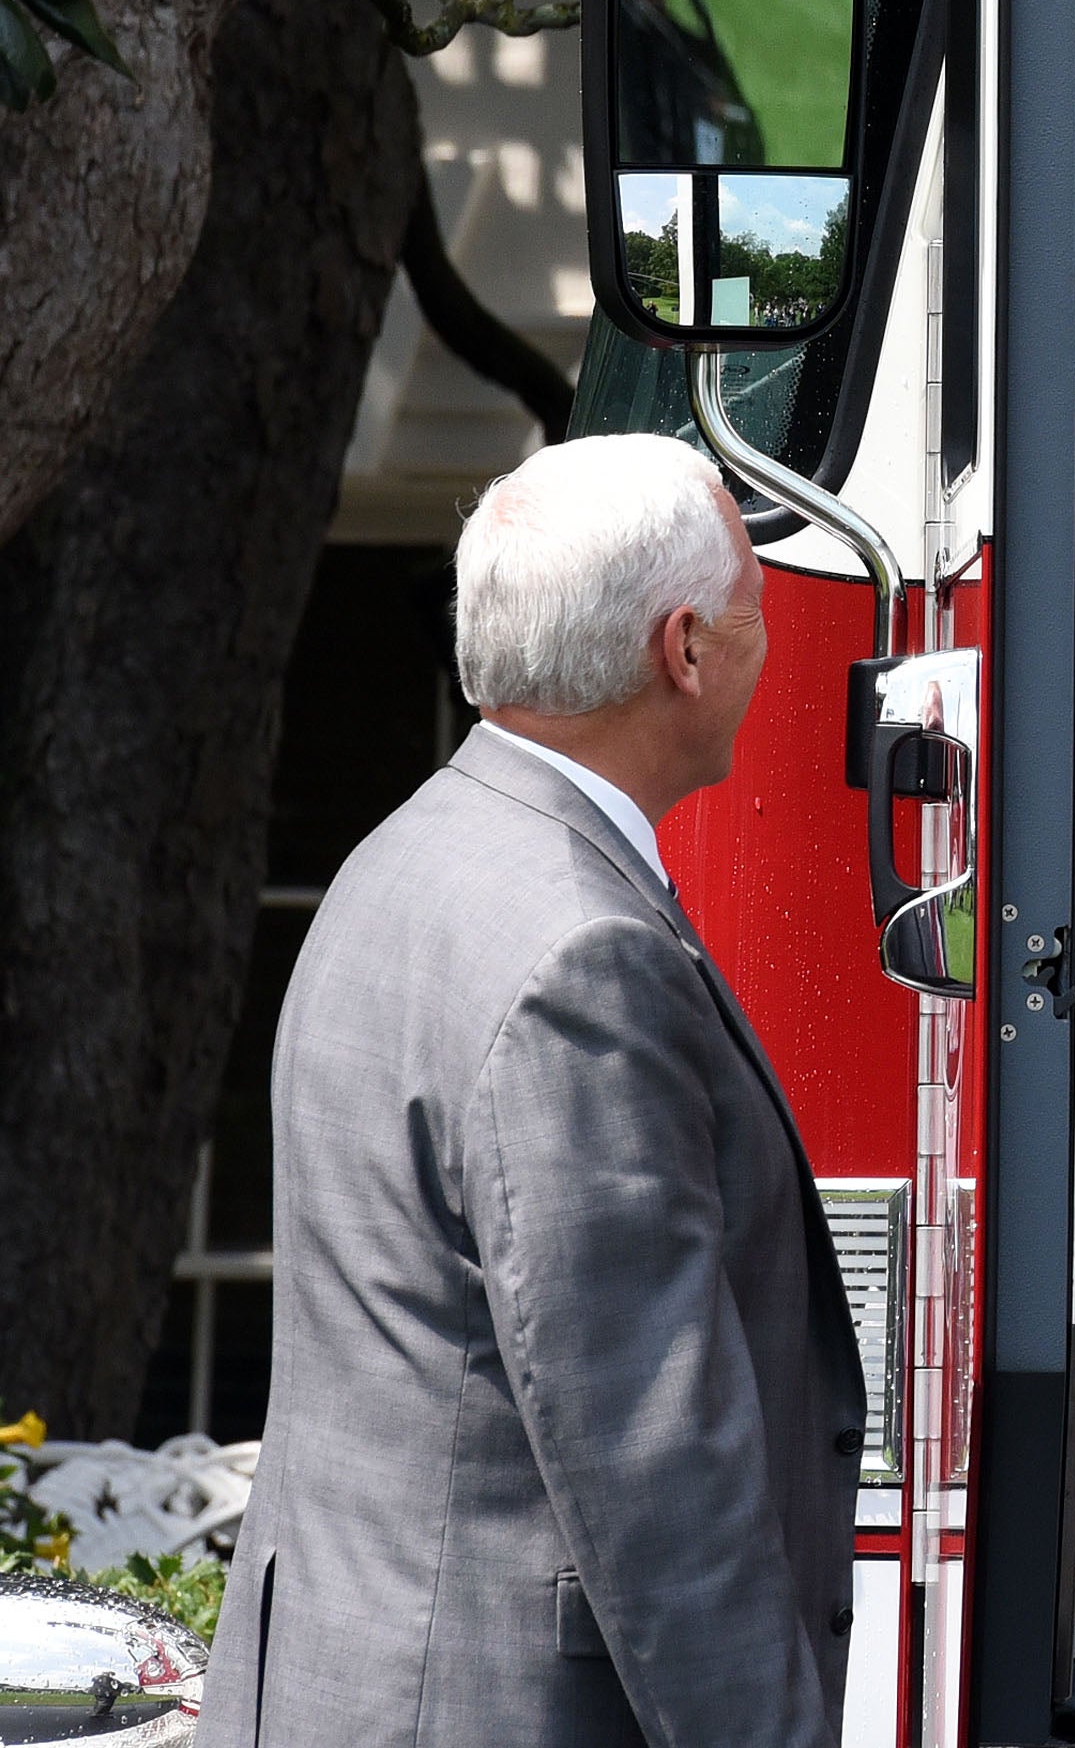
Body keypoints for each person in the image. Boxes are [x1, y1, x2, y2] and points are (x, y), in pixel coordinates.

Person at [203, 435, 865, 1748]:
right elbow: (656, 1468)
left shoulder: (399, 858)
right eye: (757, 614)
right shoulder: (583, 952)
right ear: (683, 650)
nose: (767, 646)